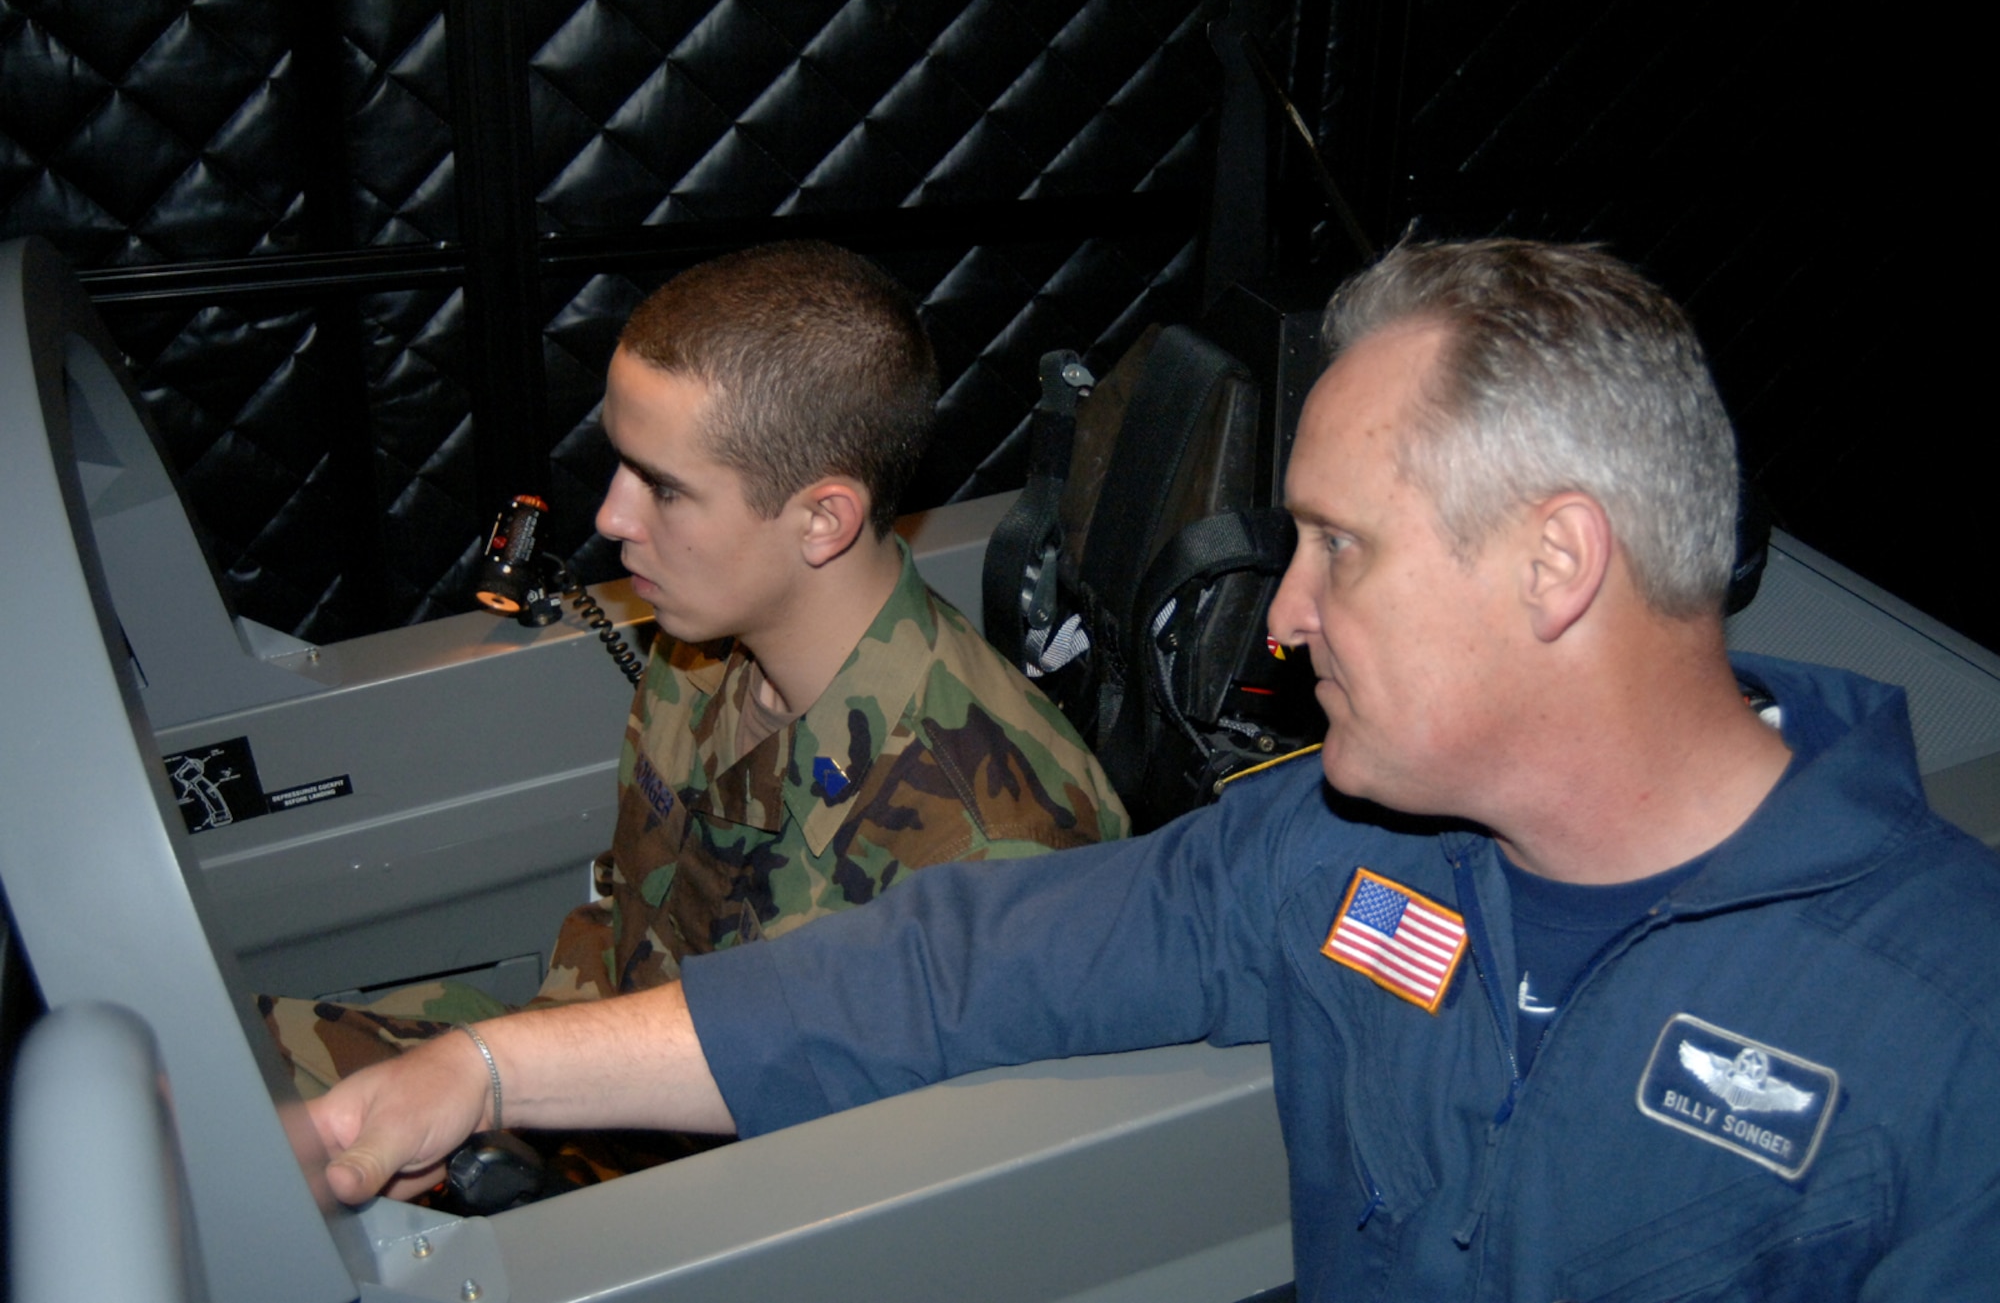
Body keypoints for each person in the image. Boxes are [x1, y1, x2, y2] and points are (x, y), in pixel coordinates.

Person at [306, 240, 2000, 1300]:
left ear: (1555, 566)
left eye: (1338, 544)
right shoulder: (1330, 853)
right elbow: (940, 973)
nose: (1282, 614)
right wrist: (495, 1074)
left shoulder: (1949, 1031)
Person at [268, 240, 1127, 1090]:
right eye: (619, 464)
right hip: (589, 1059)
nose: (609, 516)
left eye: (664, 487)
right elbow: (629, 930)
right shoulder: (701, 643)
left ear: (822, 519)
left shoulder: (988, 852)